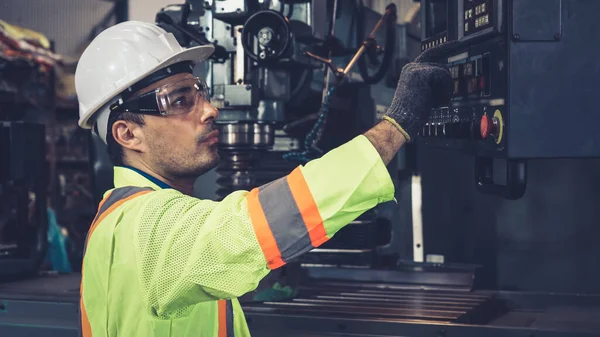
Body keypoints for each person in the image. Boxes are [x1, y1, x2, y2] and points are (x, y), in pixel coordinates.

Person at [75, 21, 456, 337]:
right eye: (178, 100)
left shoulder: (134, 217)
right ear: (127, 134)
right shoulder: (143, 225)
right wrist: (395, 127)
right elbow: (261, 223)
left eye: (200, 92)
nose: (210, 109)